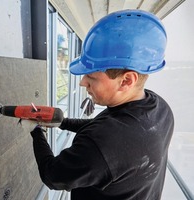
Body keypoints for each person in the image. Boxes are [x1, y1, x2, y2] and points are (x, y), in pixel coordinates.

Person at [30, 9, 174, 200]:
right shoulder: (160, 108)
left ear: (126, 80)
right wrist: (62, 122)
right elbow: (100, 129)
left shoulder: (103, 145)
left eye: (91, 76)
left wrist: (35, 131)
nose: (82, 82)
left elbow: (53, 175)